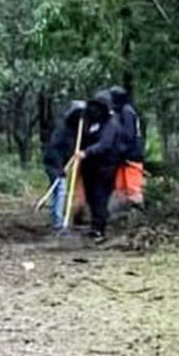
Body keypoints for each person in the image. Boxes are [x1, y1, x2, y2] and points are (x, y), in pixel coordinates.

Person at [76, 92, 120, 242]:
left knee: (99, 197)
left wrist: (87, 152)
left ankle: (100, 228)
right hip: (90, 167)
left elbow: (105, 144)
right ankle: (95, 226)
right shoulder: (92, 122)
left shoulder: (111, 124)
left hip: (105, 167)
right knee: (91, 197)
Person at [42, 101, 85, 232]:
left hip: (61, 163)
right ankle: (58, 223)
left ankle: (57, 219)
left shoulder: (74, 130)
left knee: (58, 189)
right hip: (54, 162)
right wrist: (59, 167)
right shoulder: (62, 129)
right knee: (60, 189)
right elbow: (54, 148)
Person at [108, 86, 145, 211]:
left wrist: (120, 149)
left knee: (133, 188)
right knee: (120, 188)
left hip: (131, 155)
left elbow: (129, 135)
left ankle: (136, 211)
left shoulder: (127, 112)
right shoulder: (120, 112)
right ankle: (122, 213)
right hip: (123, 156)